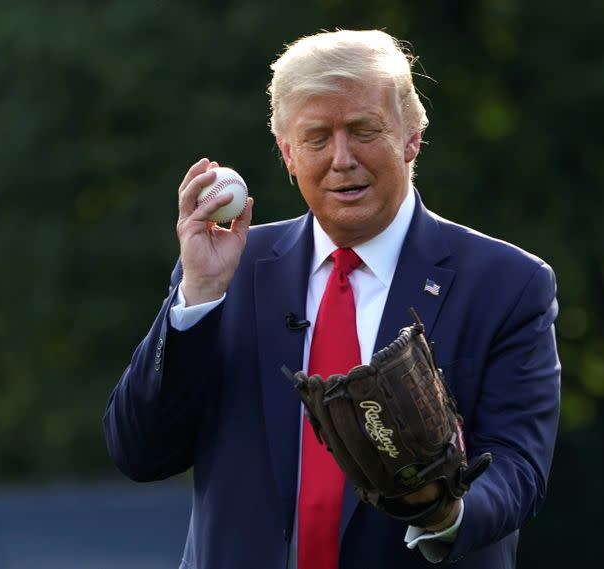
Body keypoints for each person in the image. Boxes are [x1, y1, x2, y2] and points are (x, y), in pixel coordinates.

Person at [104, 29, 560, 569]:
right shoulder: (229, 268)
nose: (341, 159)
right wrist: (198, 296)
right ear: (288, 153)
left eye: (364, 131)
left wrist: (441, 511)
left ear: (412, 137)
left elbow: (519, 469)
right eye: (317, 138)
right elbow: (140, 452)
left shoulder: (507, 284)